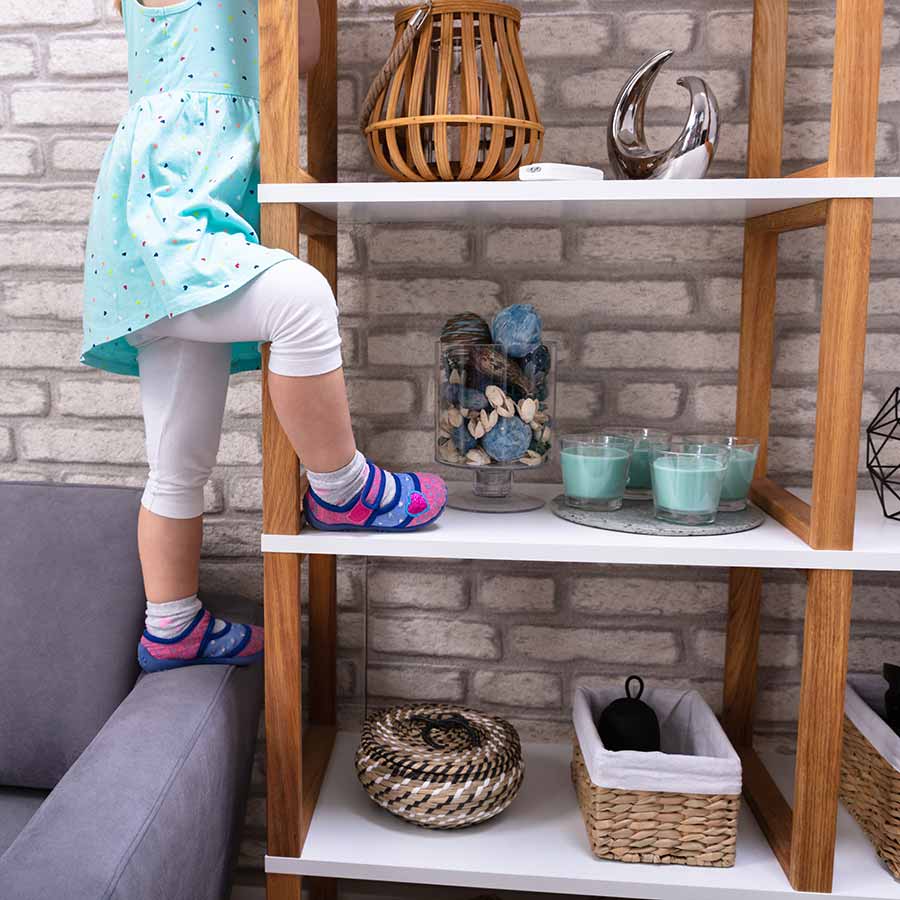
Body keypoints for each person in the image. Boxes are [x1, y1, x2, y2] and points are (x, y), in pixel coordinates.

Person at [83, 0, 448, 673]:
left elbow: (302, 54)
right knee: (302, 298)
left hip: (195, 233)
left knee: (177, 460)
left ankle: (172, 628)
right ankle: (342, 489)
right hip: (165, 230)